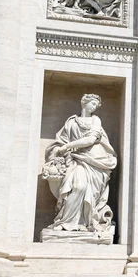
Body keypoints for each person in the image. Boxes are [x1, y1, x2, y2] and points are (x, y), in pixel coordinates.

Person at [43, 94, 117, 232]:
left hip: (94, 161)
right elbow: (60, 141)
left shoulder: (96, 120)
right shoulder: (71, 122)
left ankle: (85, 223)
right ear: (84, 102)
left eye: (96, 105)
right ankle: (66, 222)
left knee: (85, 189)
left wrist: (67, 146)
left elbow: (90, 140)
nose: (94, 107)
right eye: (92, 103)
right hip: (75, 159)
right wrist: (59, 151)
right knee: (78, 186)